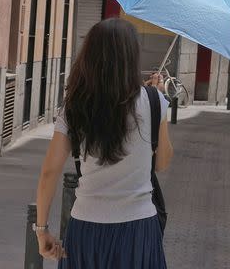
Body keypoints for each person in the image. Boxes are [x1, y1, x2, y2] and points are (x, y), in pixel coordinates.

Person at [34, 18, 173, 268]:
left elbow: (49, 172)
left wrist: (42, 230)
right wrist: (160, 99)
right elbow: (161, 162)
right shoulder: (154, 101)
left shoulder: (75, 105)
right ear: (132, 58)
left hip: (87, 228)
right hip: (138, 230)